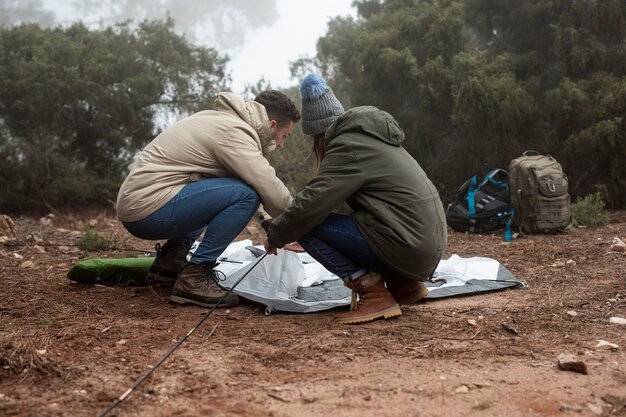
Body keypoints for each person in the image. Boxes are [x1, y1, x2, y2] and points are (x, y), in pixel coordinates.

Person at [265, 74, 447, 325]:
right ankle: (402, 283)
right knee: (356, 220)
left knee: (306, 225)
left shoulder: (347, 146)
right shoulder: (371, 136)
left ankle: (373, 293)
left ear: (316, 133)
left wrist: (277, 233)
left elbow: (311, 204)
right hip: (425, 243)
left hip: (409, 245)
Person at [116, 90, 300, 308]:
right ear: (271, 125)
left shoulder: (221, 121)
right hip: (148, 210)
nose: (281, 144)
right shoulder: (234, 132)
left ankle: (168, 263)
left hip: (142, 204)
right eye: (284, 136)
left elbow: (240, 183)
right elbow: (266, 185)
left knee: (224, 190)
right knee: (246, 196)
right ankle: (195, 276)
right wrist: (300, 224)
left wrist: (270, 222)